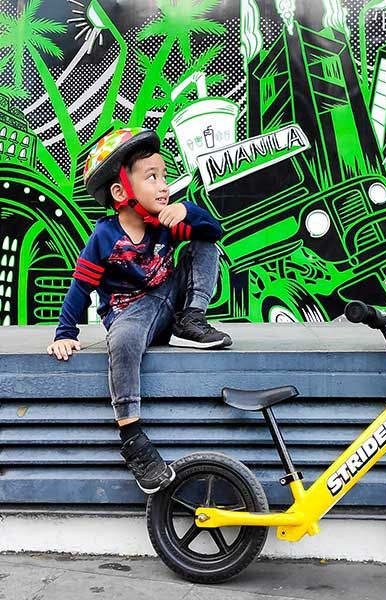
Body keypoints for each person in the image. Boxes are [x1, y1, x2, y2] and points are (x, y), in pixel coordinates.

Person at [46, 127, 232, 494]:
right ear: (121, 192)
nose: (164, 186)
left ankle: (191, 320)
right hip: (129, 314)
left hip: (169, 305)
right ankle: (132, 439)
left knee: (204, 245)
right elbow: (80, 287)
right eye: (152, 178)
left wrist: (188, 211)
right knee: (125, 340)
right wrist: (65, 334)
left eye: (164, 177)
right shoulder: (104, 237)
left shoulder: (163, 223)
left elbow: (215, 231)